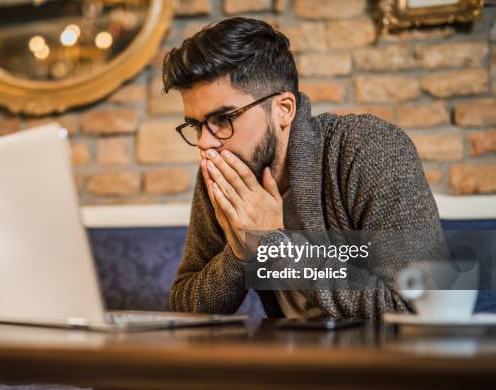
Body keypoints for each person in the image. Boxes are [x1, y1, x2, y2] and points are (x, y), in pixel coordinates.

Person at [162, 17, 446, 319]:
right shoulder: (226, 172)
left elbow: (422, 306)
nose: (206, 143)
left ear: (283, 109)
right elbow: (185, 306)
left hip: (378, 364)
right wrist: (238, 255)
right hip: (287, 360)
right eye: (196, 125)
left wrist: (277, 246)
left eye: (223, 119)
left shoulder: (367, 147)